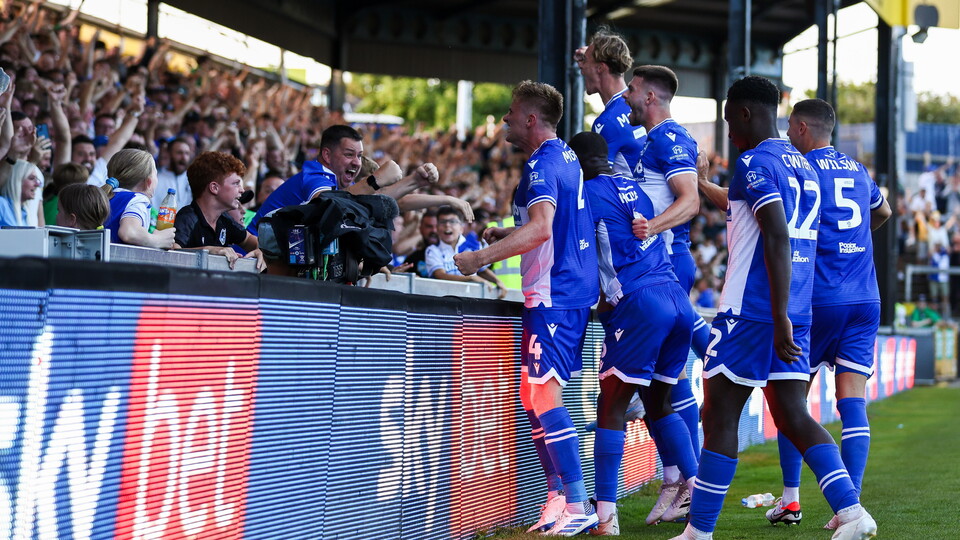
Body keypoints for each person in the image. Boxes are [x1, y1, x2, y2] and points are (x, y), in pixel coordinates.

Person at [673, 76, 876, 540]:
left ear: (744, 114)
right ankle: (852, 512)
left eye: (728, 120)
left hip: (754, 311)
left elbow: (777, 234)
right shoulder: (802, 165)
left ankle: (698, 532)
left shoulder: (753, 161)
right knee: (792, 414)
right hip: (797, 308)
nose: (728, 132)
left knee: (719, 413)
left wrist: (779, 312)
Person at [454, 81, 599, 536]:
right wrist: (505, 233)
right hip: (564, 291)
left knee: (544, 396)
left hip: (555, 294)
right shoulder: (565, 156)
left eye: (512, 113)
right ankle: (558, 495)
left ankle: (578, 502)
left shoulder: (540, 164)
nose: (505, 120)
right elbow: (542, 228)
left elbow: (540, 230)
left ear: (531, 119)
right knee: (531, 396)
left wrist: (478, 258)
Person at [764, 97, 892, 530]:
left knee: (790, 401)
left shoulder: (802, 169)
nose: (785, 135)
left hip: (819, 299)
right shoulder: (858, 169)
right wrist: (852, 238)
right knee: (853, 404)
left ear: (801, 128)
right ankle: (847, 506)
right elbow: (884, 211)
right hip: (865, 298)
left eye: (788, 128)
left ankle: (791, 500)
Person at [568, 131, 699, 536]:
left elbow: (583, 258)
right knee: (660, 403)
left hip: (641, 303)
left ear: (576, 162)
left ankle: (605, 516)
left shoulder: (584, 195)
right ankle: (697, 492)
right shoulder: (637, 190)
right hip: (676, 298)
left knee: (610, 406)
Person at [623, 64, 704, 523]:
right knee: (657, 391)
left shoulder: (670, 138)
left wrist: (651, 227)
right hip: (654, 270)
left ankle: (686, 483)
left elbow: (688, 200)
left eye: (632, 90)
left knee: (659, 390)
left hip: (667, 268)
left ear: (650, 95)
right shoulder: (651, 141)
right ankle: (678, 481)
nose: (630, 97)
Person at [247, 124, 444, 236]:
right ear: (327, 154)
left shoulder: (342, 185)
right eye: (349, 154)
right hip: (248, 258)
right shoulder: (315, 176)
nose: (356, 162)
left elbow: (387, 200)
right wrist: (375, 180)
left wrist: (416, 181)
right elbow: (329, 205)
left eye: (359, 155)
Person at [172, 151, 265, 271]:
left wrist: (261, 250)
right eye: (236, 183)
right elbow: (173, 253)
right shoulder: (187, 217)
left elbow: (249, 240)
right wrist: (208, 251)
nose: (242, 190)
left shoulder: (224, 219)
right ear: (214, 188)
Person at [574, 26, 644, 178]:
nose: (580, 66)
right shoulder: (641, 107)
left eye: (584, 61)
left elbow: (598, 184)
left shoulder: (606, 123)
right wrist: (590, 54)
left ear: (600, 68)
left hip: (631, 202)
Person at [101, 149, 176, 249]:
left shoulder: (102, 195)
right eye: (156, 174)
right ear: (148, 182)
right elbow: (128, 233)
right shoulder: (138, 200)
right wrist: (159, 240)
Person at [425, 206, 505, 297]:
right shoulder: (432, 250)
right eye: (442, 222)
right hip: (444, 299)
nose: (447, 225)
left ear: (461, 227)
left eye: (452, 222)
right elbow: (440, 275)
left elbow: (482, 270)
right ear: (437, 228)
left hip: (471, 298)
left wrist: (497, 281)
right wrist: (470, 278)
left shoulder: (473, 245)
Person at [152, 137, 194, 209]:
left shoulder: (193, 180)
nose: (184, 157)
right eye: (179, 153)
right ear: (169, 154)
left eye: (187, 153)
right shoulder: (156, 178)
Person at [0, 159, 42, 227]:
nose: (37, 184)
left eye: (37, 179)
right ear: (16, 181)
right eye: (31, 178)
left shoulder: (24, 211)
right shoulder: (2, 205)